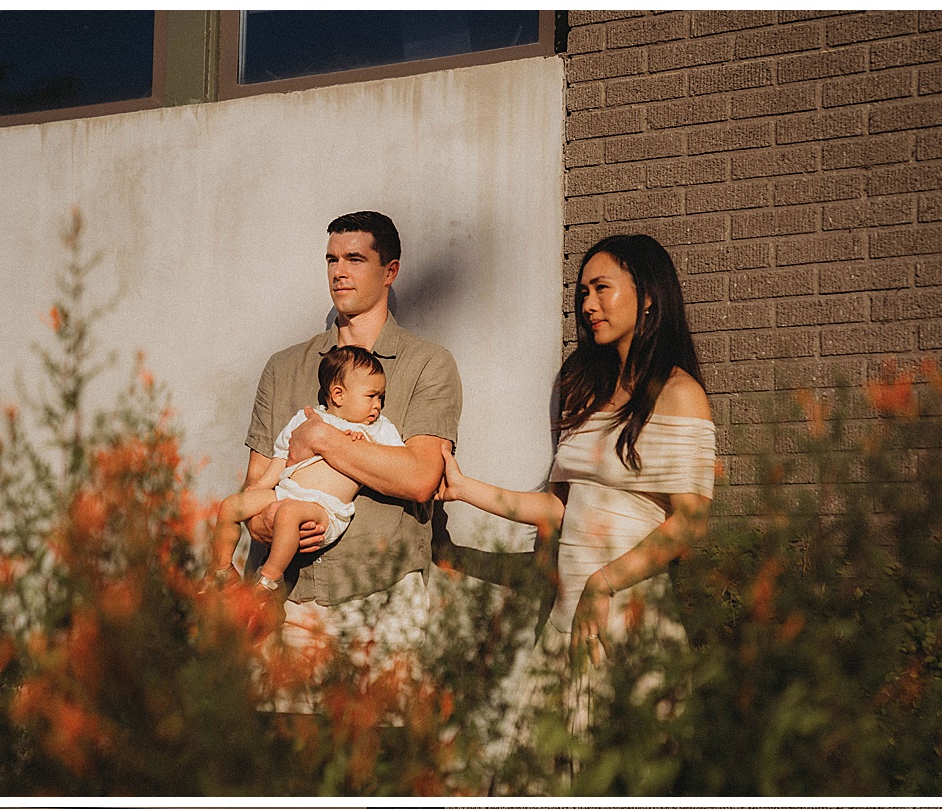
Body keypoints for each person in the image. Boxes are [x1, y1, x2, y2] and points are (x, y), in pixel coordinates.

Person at [437, 234, 716, 722]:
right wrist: (463, 489)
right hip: (568, 618)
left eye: (601, 288)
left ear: (648, 296)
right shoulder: (584, 390)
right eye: (582, 292)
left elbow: (690, 523)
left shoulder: (679, 394)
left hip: (627, 616)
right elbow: (559, 508)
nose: (588, 304)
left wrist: (604, 584)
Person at [218, 211, 462, 658]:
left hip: (382, 603)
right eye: (331, 260)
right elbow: (256, 483)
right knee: (282, 727)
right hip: (288, 605)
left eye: (354, 258)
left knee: (387, 730)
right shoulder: (285, 366)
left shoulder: (427, 364)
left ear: (390, 271)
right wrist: (264, 522)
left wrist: (324, 439)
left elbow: (421, 478)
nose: (339, 271)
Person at [222, 347, 404, 606]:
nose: (378, 405)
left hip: (325, 509)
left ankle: (269, 580)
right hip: (285, 492)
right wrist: (261, 485)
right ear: (338, 395)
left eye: (381, 398)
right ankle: (220, 571)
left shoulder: (378, 429)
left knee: (288, 514)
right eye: (372, 396)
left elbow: (398, 463)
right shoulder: (307, 419)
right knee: (231, 506)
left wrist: (364, 447)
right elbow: (281, 455)